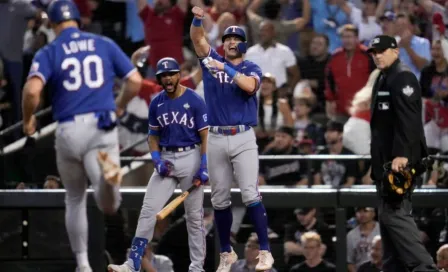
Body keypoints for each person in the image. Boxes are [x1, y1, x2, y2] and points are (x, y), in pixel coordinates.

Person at [20, 1, 142, 271]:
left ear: (52, 25)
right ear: (79, 20)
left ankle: (83, 264)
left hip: (68, 130)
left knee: (74, 198)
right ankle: (108, 183)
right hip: (102, 125)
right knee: (109, 205)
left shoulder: (49, 50)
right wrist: (120, 104)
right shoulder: (103, 43)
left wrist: (28, 119)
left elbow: (31, 92)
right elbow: (135, 81)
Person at [189, 6, 274, 272]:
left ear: (244, 45)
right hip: (215, 136)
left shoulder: (251, 66)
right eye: (227, 39)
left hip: (243, 137)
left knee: (250, 193)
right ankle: (226, 253)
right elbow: (197, 38)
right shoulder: (211, 59)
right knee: (219, 200)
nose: (231, 42)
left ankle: (265, 252)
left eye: (236, 39)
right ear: (223, 43)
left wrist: (223, 66)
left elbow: (249, 86)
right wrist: (197, 19)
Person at [107, 57, 209, 272]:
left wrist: (204, 164)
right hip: (167, 158)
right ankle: (133, 264)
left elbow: (205, 135)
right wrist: (156, 159)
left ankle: (197, 267)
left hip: (191, 155)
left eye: (171, 74)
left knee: (194, 217)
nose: (168, 78)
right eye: (163, 75)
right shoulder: (157, 103)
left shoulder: (195, 100)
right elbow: (153, 136)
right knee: (147, 211)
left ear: (178, 75)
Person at [367, 34, 438, 272]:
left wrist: (402, 156)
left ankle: (424, 267)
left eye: (381, 51)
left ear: (395, 51)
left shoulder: (403, 76)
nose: (377, 55)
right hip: (385, 162)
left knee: (393, 215)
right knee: (388, 226)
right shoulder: (384, 77)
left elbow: (409, 121)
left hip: (399, 163)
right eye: (374, 52)